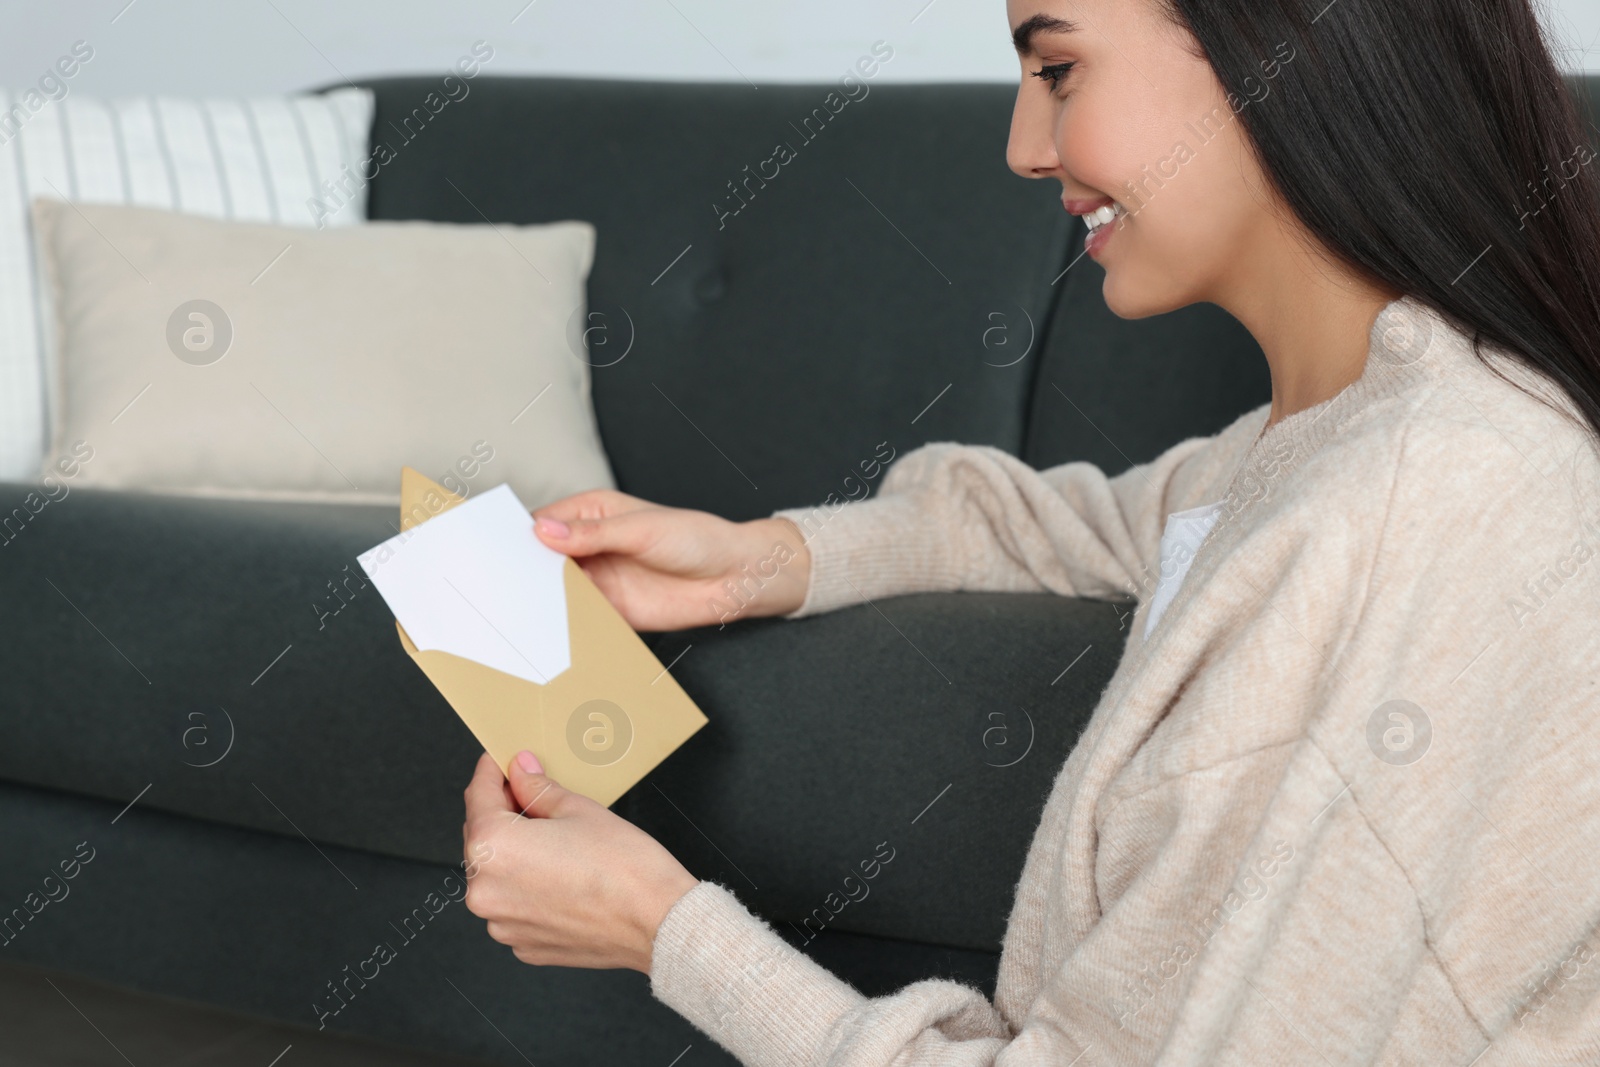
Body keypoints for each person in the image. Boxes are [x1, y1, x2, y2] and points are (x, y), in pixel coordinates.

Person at [459, 0, 1600, 1062]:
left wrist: (665, 931)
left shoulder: (1420, 505)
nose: (1023, 146)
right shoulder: (1355, 429)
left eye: (1058, 69)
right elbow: (1101, 521)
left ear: (1276, 51)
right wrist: (760, 559)